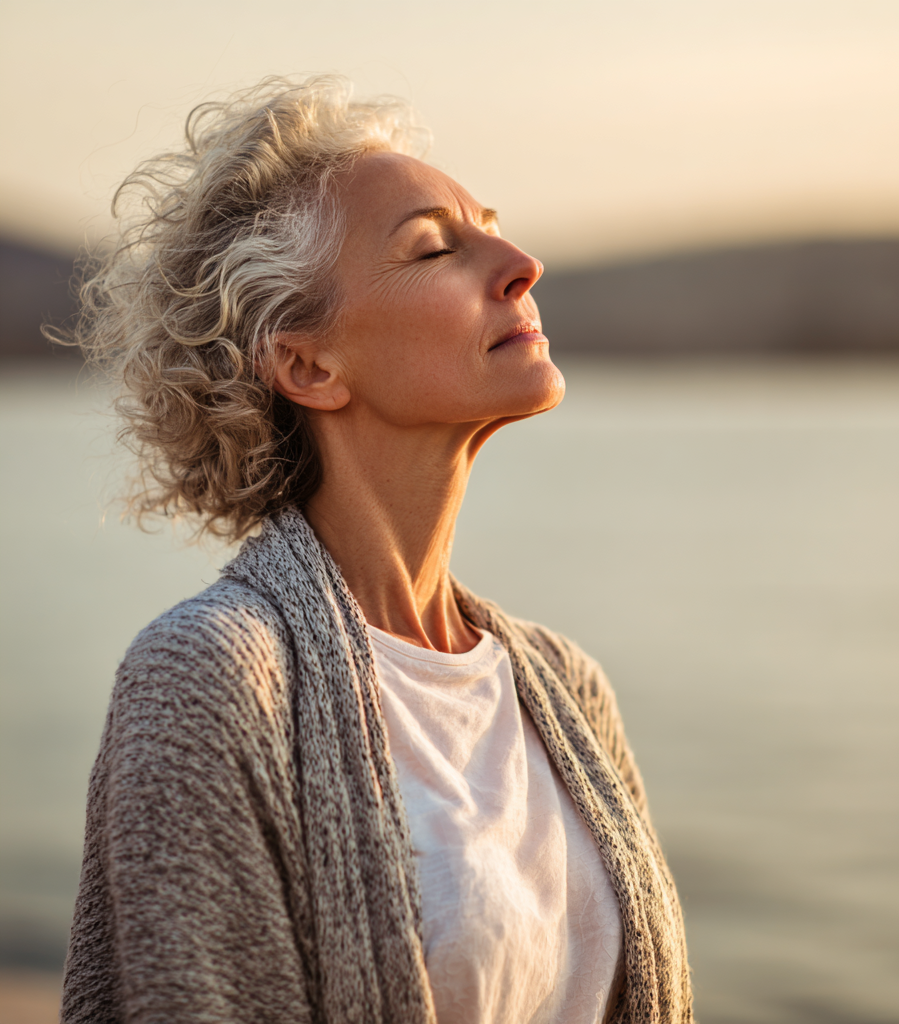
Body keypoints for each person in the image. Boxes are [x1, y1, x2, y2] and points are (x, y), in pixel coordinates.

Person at [59, 76, 691, 1024]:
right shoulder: (211, 679)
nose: (523, 264)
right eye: (436, 246)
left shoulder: (566, 688)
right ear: (309, 365)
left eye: (493, 227)